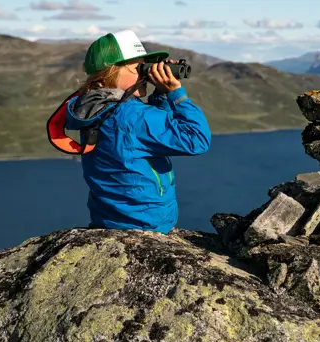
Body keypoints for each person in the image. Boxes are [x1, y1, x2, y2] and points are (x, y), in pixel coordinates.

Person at [60, 29, 211, 234]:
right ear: (111, 71)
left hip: (109, 219)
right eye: (137, 67)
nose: (145, 74)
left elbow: (149, 135)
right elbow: (197, 139)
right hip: (145, 224)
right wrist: (177, 94)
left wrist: (160, 94)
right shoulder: (132, 115)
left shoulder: (94, 106)